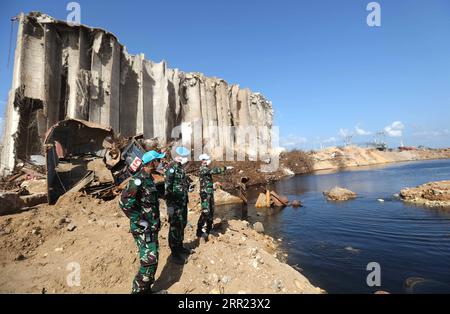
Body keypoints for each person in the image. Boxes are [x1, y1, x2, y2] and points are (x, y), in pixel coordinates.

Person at [119, 150, 165, 294]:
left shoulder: (149, 179)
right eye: (158, 160)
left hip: (151, 228)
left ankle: (145, 291)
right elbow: (124, 202)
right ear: (151, 163)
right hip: (143, 229)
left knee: (153, 260)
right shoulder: (137, 180)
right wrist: (139, 220)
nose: (160, 162)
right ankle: (138, 291)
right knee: (148, 262)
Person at [196, 154, 233, 242]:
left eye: (206, 160)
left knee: (211, 210)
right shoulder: (203, 169)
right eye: (204, 160)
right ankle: (199, 231)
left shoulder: (206, 169)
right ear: (201, 161)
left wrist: (212, 186)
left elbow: (207, 180)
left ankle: (209, 229)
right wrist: (225, 168)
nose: (205, 161)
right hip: (205, 194)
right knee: (205, 212)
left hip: (209, 193)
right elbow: (214, 171)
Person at [164, 146, 191, 264]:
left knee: (182, 224)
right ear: (176, 156)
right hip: (174, 204)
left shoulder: (180, 167)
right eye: (181, 156)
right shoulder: (171, 168)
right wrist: (169, 206)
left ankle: (180, 246)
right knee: (175, 226)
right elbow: (167, 188)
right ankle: (174, 253)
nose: (183, 158)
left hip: (182, 202)